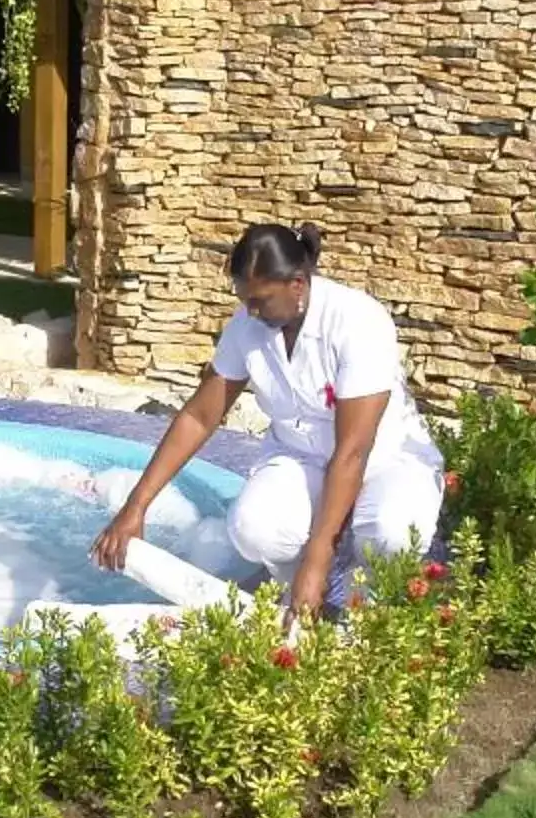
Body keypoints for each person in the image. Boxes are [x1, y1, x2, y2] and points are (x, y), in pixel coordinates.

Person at [92, 222, 446, 618]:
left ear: (298, 284)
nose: (251, 311)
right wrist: (136, 506)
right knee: (253, 528)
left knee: (390, 534)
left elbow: (354, 450)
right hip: (303, 457)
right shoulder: (248, 326)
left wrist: (318, 557)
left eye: (260, 301)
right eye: (245, 299)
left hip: (384, 459)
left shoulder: (358, 322)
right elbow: (198, 416)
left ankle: (366, 605)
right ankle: (295, 598)